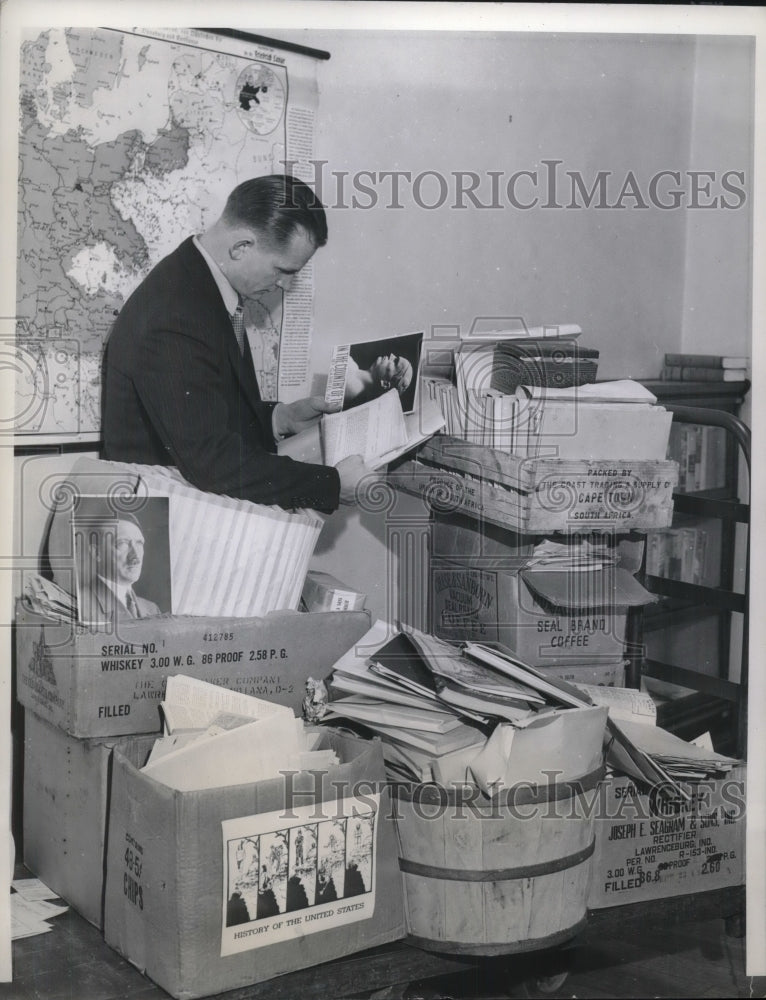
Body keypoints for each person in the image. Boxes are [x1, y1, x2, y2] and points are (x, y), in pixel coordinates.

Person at [102, 174, 374, 513]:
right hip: (159, 533)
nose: (285, 286)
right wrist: (330, 484)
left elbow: (201, 407)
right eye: (282, 270)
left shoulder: (197, 286)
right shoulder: (175, 314)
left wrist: (280, 418)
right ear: (241, 247)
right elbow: (211, 461)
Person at [76, 513, 161, 624]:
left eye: (139, 543)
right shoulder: (80, 606)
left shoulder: (152, 609)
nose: (136, 557)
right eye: (122, 544)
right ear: (97, 553)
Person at [342, 351, 414, 410]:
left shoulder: (353, 388)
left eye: (395, 362)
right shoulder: (354, 365)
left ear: (386, 384)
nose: (391, 355)